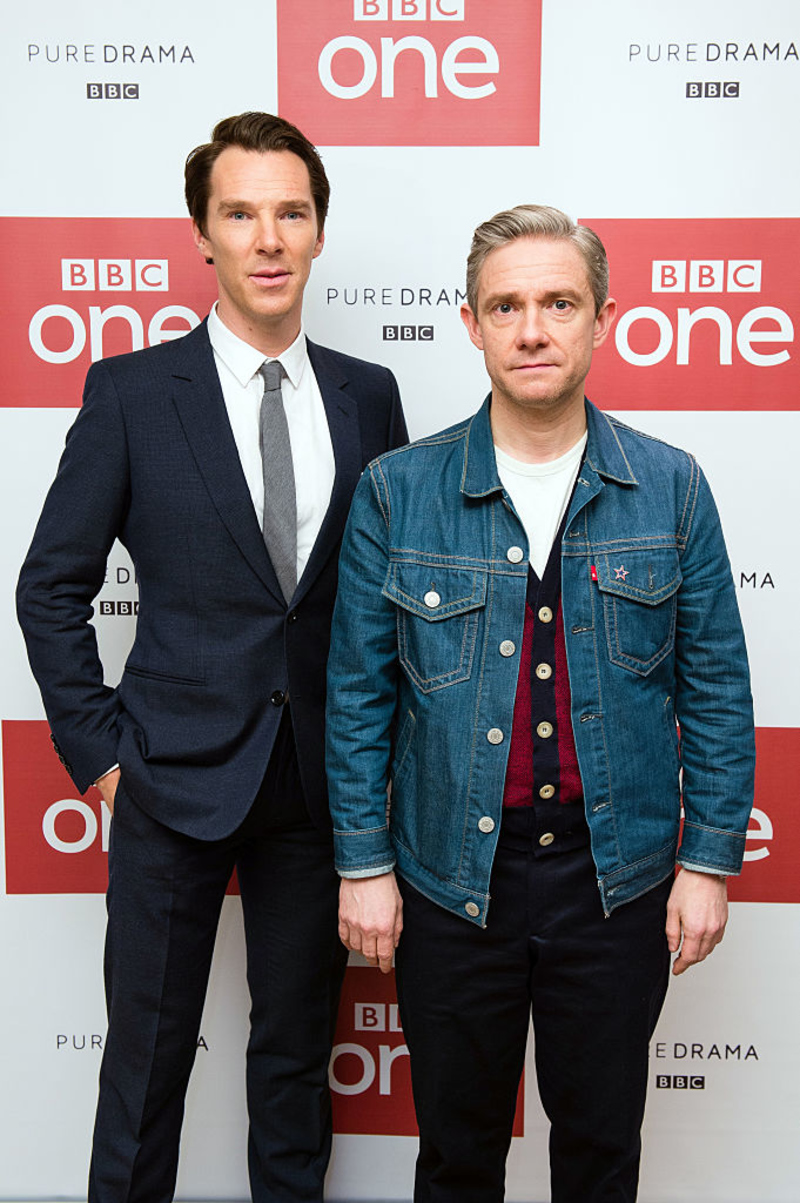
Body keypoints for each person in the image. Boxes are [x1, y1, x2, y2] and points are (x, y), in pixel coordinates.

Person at [325, 204, 754, 1202]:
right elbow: (354, 692)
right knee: (458, 1157)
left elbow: (717, 690)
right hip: (446, 881)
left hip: (617, 882)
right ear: (469, 323)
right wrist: (363, 862)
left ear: (600, 318)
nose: (532, 329)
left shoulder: (669, 488)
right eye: (506, 305)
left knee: (600, 1155)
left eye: (557, 302)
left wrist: (705, 862)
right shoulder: (397, 490)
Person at [16, 111, 407, 1203]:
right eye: (241, 213)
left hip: (319, 790)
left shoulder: (367, 395)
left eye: (290, 211)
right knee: (142, 1073)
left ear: (319, 231)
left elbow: (380, 600)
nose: (268, 237)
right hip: (168, 780)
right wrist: (100, 754)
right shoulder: (134, 393)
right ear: (204, 234)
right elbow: (50, 586)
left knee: (293, 1069)